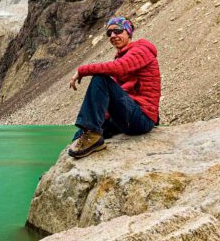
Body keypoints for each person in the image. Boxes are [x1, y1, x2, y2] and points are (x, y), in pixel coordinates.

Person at [67, 16, 161, 158]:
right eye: (109, 33)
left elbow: (119, 68)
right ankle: (89, 138)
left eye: (117, 31)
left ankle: (93, 138)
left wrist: (82, 70)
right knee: (80, 134)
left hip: (142, 118)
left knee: (100, 78)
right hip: (129, 114)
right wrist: (99, 120)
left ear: (128, 33)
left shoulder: (141, 50)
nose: (113, 36)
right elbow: (116, 94)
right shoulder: (122, 56)